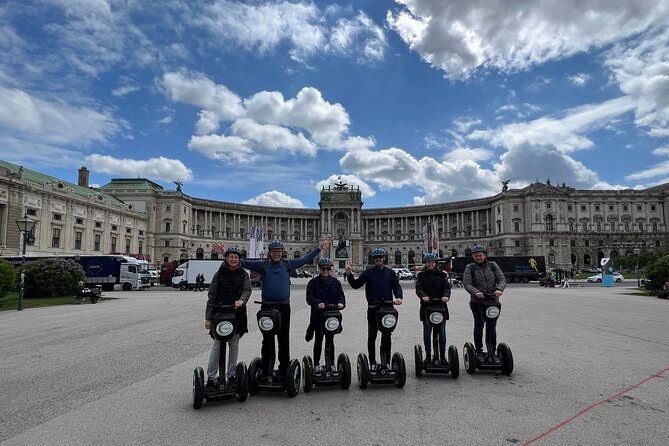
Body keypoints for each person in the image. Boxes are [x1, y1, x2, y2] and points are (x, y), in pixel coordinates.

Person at [212, 238, 331, 380]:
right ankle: (266, 368)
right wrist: (224, 253)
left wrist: (320, 248)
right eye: (274, 252)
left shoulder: (288, 265)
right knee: (267, 340)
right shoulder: (262, 265)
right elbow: (241, 261)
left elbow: (305, 259)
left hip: (284, 307)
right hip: (267, 307)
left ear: (282, 253)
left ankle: (284, 369)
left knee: (283, 339)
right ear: (270, 253)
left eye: (279, 251)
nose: (276, 254)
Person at [344, 247, 403, 370]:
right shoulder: (368, 273)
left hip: (387, 308)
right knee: (372, 336)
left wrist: (399, 297)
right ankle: (372, 362)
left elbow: (397, 287)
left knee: (387, 335)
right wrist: (349, 274)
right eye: (376, 258)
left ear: (384, 259)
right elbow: (355, 285)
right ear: (373, 260)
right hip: (373, 308)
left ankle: (386, 362)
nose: (378, 260)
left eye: (380, 258)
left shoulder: (390, 273)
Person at [204, 246, 251, 390]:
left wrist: (242, 300)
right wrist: (208, 318)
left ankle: (231, 375)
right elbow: (211, 296)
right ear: (226, 258)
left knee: (234, 345)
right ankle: (211, 377)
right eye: (231, 257)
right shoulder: (219, 274)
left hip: (236, 313)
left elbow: (247, 290)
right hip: (219, 313)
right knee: (217, 346)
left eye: (236, 257)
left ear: (239, 259)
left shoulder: (243, 274)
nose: (233, 259)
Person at [462, 244, 506, 364]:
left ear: (485, 255)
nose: (478, 258)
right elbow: (467, 284)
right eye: (476, 256)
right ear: (473, 257)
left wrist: (499, 289)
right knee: (479, 326)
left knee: (492, 327)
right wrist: (476, 292)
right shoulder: (469, 268)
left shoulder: (493, 265)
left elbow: (501, 279)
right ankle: (479, 351)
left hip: (492, 301)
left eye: (480, 256)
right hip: (477, 302)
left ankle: (492, 352)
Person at [305, 257, 346, 374]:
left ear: (331, 270)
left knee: (330, 340)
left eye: (328, 269)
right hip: (318, 317)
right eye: (323, 269)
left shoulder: (336, 283)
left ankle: (331, 364)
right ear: (319, 269)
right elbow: (309, 298)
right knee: (318, 341)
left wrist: (341, 303)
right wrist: (318, 303)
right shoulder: (313, 283)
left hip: (331, 317)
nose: (326, 271)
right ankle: (316, 364)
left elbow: (341, 295)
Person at [415, 252, 451, 366]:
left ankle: (443, 356)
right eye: (428, 262)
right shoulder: (421, 276)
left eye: (432, 262)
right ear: (425, 264)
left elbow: (447, 287)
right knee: (427, 332)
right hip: (427, 307)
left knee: (442, 333)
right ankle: (427, 355)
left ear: (435, 263)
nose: (430, 264)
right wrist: (423, 296)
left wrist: (446, 296)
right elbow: (419, 289)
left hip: (440, 306)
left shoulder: (442, 275)